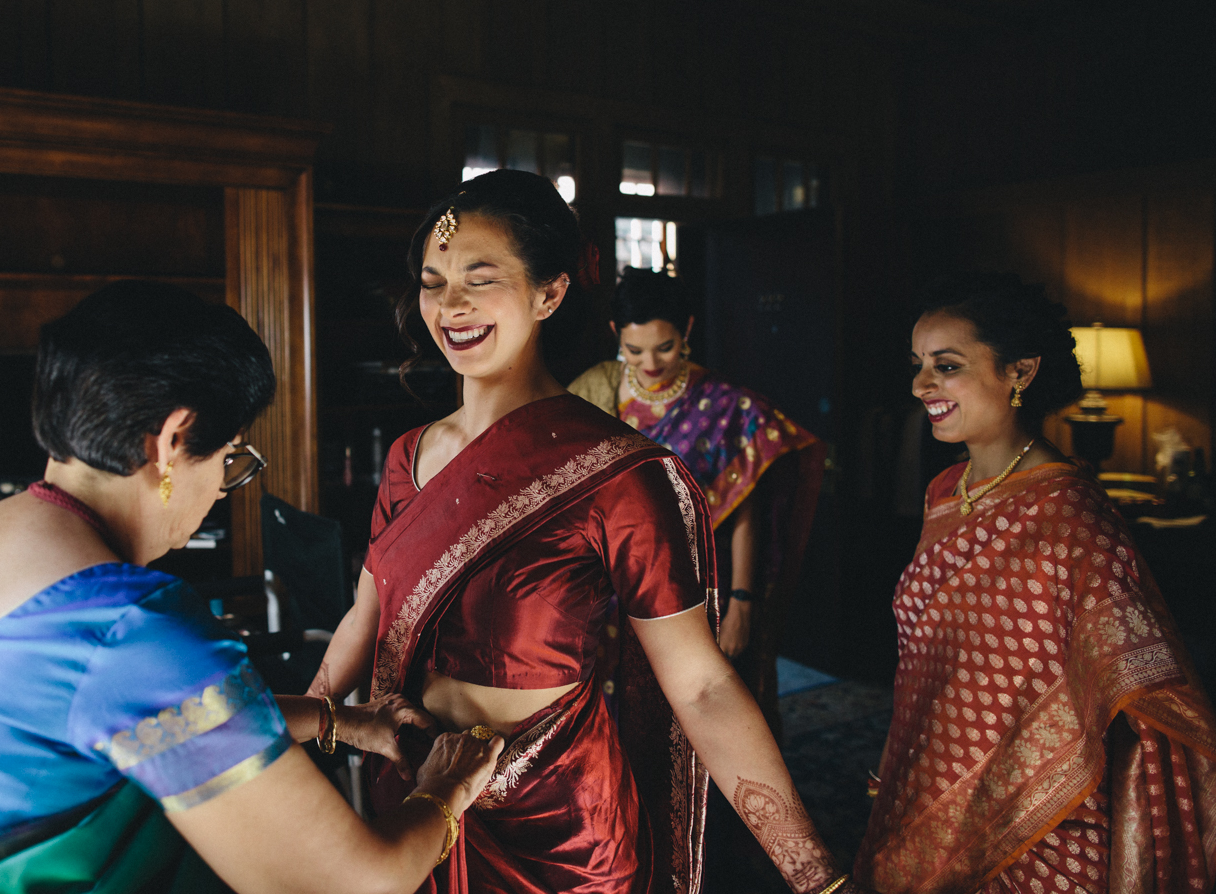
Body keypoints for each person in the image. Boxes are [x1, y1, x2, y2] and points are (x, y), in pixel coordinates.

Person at [0, 281, 503, 894]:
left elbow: (126, 719)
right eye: (230, 456)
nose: (225, 488)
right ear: (172, 441)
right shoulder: (125, 626)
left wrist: (339, 721)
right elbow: (350, 883)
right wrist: (445, 789)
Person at [310, 170, 863, 894]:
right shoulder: (407, 457)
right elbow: (369, 613)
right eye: (433, 280)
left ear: (550, 292)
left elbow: (699, 688)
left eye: (480, 278)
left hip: (555, 827)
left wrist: (815, 875)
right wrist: (309, 731)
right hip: (412, 802)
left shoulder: (619, 474)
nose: (451, 305)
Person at [855, 272, 1216, 894]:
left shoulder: (1074, 517)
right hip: (925, 778)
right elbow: (923, 655)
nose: (920, 386)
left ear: (1019, 372)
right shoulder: (946, 490)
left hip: (1040, 817)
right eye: (918, 365)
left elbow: (1137, 678)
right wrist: (897, 764)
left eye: (946, 366)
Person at [569, 268, 825, 737]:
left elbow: (743, 509)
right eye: (634, 349)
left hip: (699, 586)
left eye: (664, 347)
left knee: (703, 720)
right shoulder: (592, 394)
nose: (650, 362)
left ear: (687, 330)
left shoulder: (725, 406)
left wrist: (742, 601)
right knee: (622, 726)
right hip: (612, 589)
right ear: (614, 336)